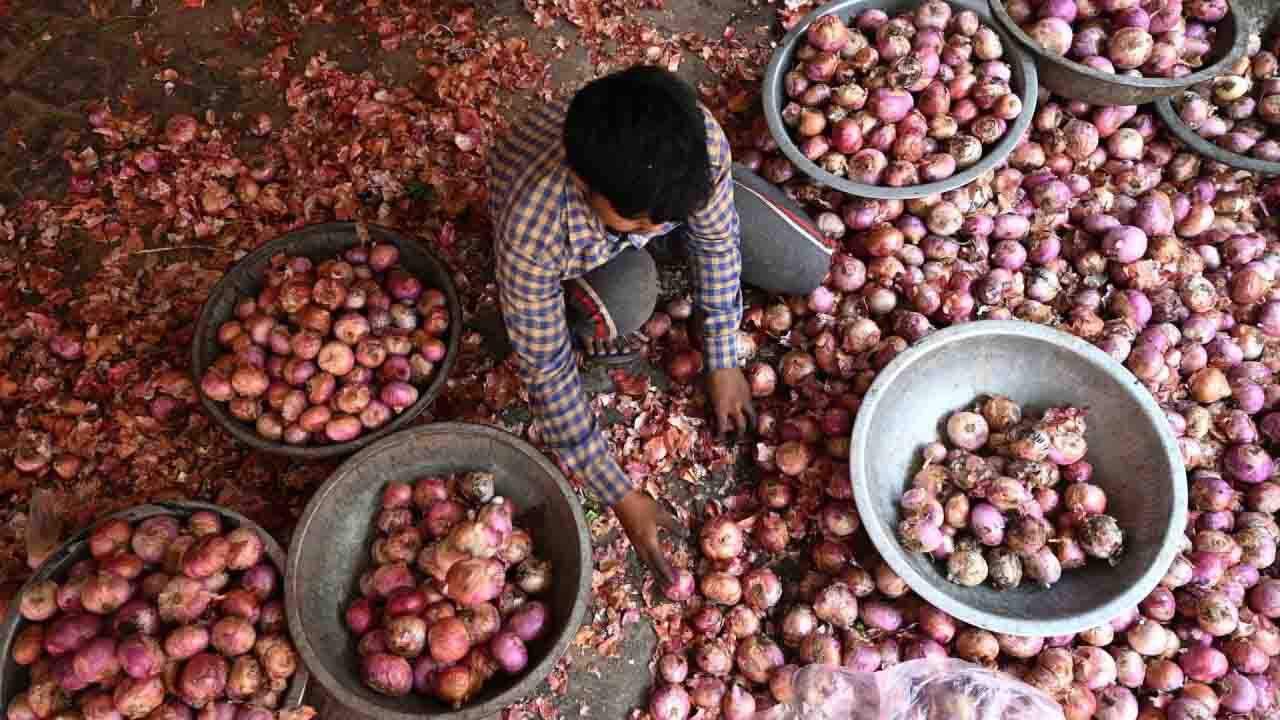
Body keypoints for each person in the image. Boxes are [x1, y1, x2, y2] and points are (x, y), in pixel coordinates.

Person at [488, 65, 833, 588]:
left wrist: (721, 354)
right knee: (628, 300)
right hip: (578, 243)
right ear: (585, 186)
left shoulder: (699, 139)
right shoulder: (534, 228)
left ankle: (673, 219)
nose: (656, 227)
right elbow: (545, 367)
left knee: (807, 265)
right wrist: (620, 494)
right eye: (643, 222)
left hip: (656, 189)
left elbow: (716, 241)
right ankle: (642, 256)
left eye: (668, 217)